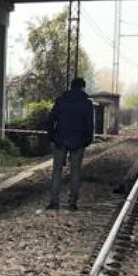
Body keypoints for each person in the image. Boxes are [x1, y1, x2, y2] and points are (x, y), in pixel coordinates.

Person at [45, 77, 95, 211]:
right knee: (75, 172)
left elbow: (50, 120)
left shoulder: (60, 101)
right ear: (82, 87)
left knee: (57, 171)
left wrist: (52, 137)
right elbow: (89, 125)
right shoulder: (87, 104)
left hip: (60, 140)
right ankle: (72, 202)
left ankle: (54, 201)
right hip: (78, 141)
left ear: (71, 87)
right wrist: (87, 140)